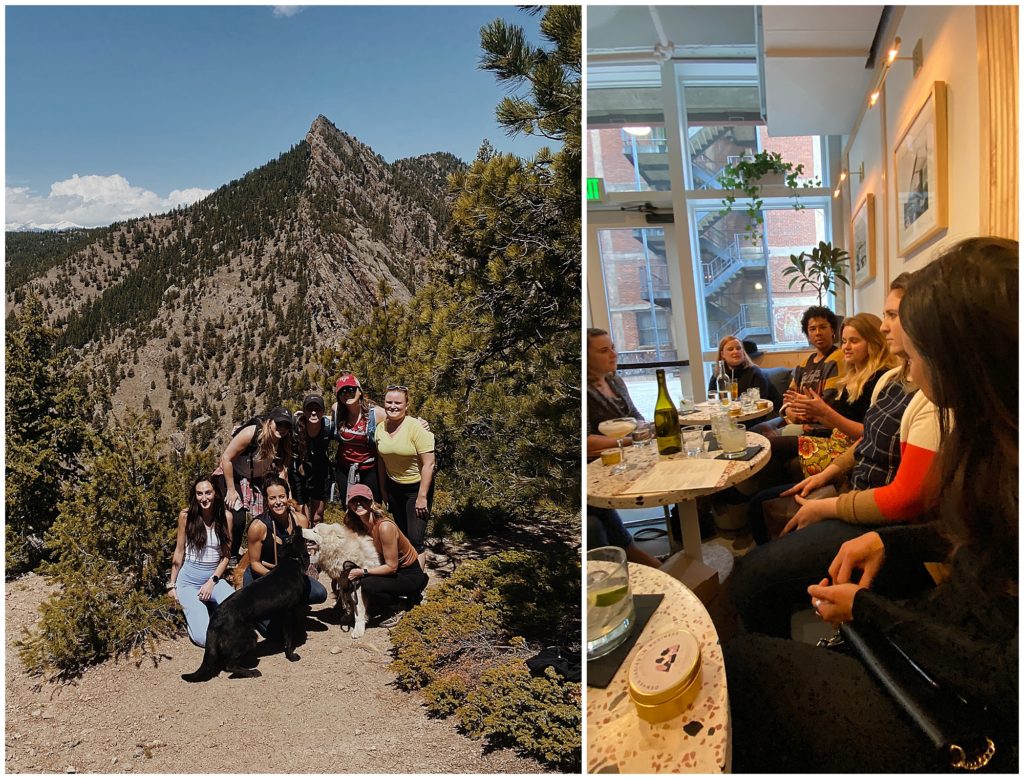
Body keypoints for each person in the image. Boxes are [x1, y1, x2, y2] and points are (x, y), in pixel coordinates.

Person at [724, 236, 1018, 772]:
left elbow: (1006, 675)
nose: (904, 356)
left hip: (975, 717)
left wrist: (867, 610)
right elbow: (980, 535)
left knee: (740, 667)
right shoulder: (990, 441)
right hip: (941, 640)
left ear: (965, 356)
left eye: (915, 347)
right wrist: (886, 539)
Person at [732, 276, 941, 634]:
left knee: (751, 578)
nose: (884, 325)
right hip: (854, 486)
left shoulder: (932, 395)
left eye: (892, 314)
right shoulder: (893, 378)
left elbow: (906, 499)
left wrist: (826, 504)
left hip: (882, 518)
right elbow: (869, 439)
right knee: (764, 509)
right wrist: (830, 471)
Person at [789, 312, 897, 476]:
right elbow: (838, 423)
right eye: (844, 341)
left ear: (874, 342)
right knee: (772, 448)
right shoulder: (853, 374)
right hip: (836, 441)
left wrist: (823, 411)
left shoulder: (881, 378)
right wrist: (812, 411)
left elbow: (869, 434)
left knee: (782, 459)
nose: (845, 347)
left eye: (854, 341)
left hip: (849, 451)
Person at [243, 476, 328, 636]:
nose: (278, 502)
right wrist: (278, 579)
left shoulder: (300, 520)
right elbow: (254, 563)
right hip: (264, 576)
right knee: (275, 634)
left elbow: (303, 553)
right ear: (266, 500)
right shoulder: (258, 527)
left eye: (281, 496)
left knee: (319, 593)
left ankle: (293, 607)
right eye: (272, 498)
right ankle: (259, 614)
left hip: (288, 577)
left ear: (288, 496)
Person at [214, 407, 294, 565]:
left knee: (270, 513)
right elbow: (226, 458)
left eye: (286, 425)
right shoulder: (251, 433)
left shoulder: (283, 441)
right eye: (278, 424)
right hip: (233, 474)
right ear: (269, 422)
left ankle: (267, 551)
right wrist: (231, 490)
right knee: (237, 517)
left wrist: (287, 496)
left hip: (256, 477)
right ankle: (232, 555)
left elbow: (281, 471)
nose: (282, 429)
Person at [341, 484, 428, 628]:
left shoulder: (384, 527)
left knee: (367, 584)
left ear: (371, 502)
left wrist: (362, 572)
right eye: (353, 500)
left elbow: (392, 567)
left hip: (408, 574)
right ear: (349, 505)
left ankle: (403, 604)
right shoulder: (359, 525)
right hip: (392, 572)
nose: (358, 503)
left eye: (362, 499)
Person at [168, 477, 236, 647]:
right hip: (189, 581)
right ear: (195, 496)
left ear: (215, 494)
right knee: (203, 638)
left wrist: (212, 581)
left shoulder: (226, 517)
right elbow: (179, 551)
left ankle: (212, 612)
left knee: (238, 612)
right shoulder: (186, 516)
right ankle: (201, 614)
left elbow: (226, 556)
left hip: (214, 578)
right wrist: (171, 584)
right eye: (199, 494)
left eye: (208, 493)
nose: (204, 498)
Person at [374, 385, 436, 562]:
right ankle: (405, 575)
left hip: (416, 487)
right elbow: (381, 460)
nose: (393, 406)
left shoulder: (416, 428)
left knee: (416, 539)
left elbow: (429, 464)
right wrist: (384, 490)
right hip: (394, 487)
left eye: (398, 402)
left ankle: (415, 585)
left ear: (406, 405)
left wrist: (422, 496)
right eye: (389, 402)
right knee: (401, 535)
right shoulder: (381, 428)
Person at [586, 328, 643, 459]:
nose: (614, 354)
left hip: (630, 453)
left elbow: (635, 415)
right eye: (604, 351)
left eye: (613, 348)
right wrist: (632, 440)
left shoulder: (614, 380)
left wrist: (643, 428)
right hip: (601, 460)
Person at [331, 373, 385, 502]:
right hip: (344, 468)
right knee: (349, 506)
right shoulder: (336, 410)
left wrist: (419, 423)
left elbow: (398, 418)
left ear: (359, 391)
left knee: (372, 505)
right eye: (342, 391)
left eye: (350, 389)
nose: (346, 393)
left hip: (369, 468)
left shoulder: (376, 413)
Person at [707, 334, 782, 410]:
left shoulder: (755, 373)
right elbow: (712, 403)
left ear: (743, 352)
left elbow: (760, 403)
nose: (735, 351)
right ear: (722, 354)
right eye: (730, 349)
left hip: (762, 415)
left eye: (739, 348)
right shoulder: (717, 377)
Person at [292, 394, 333, 526]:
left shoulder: (328, 426)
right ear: (304, 411)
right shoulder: (295, 425)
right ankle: (302, 543)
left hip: (320, 472)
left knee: (317, 516)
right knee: (301, 516)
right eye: (310, 409)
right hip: (299, 472)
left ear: (323, 411)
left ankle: (316, 543)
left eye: (318, 409)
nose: (314, 412)